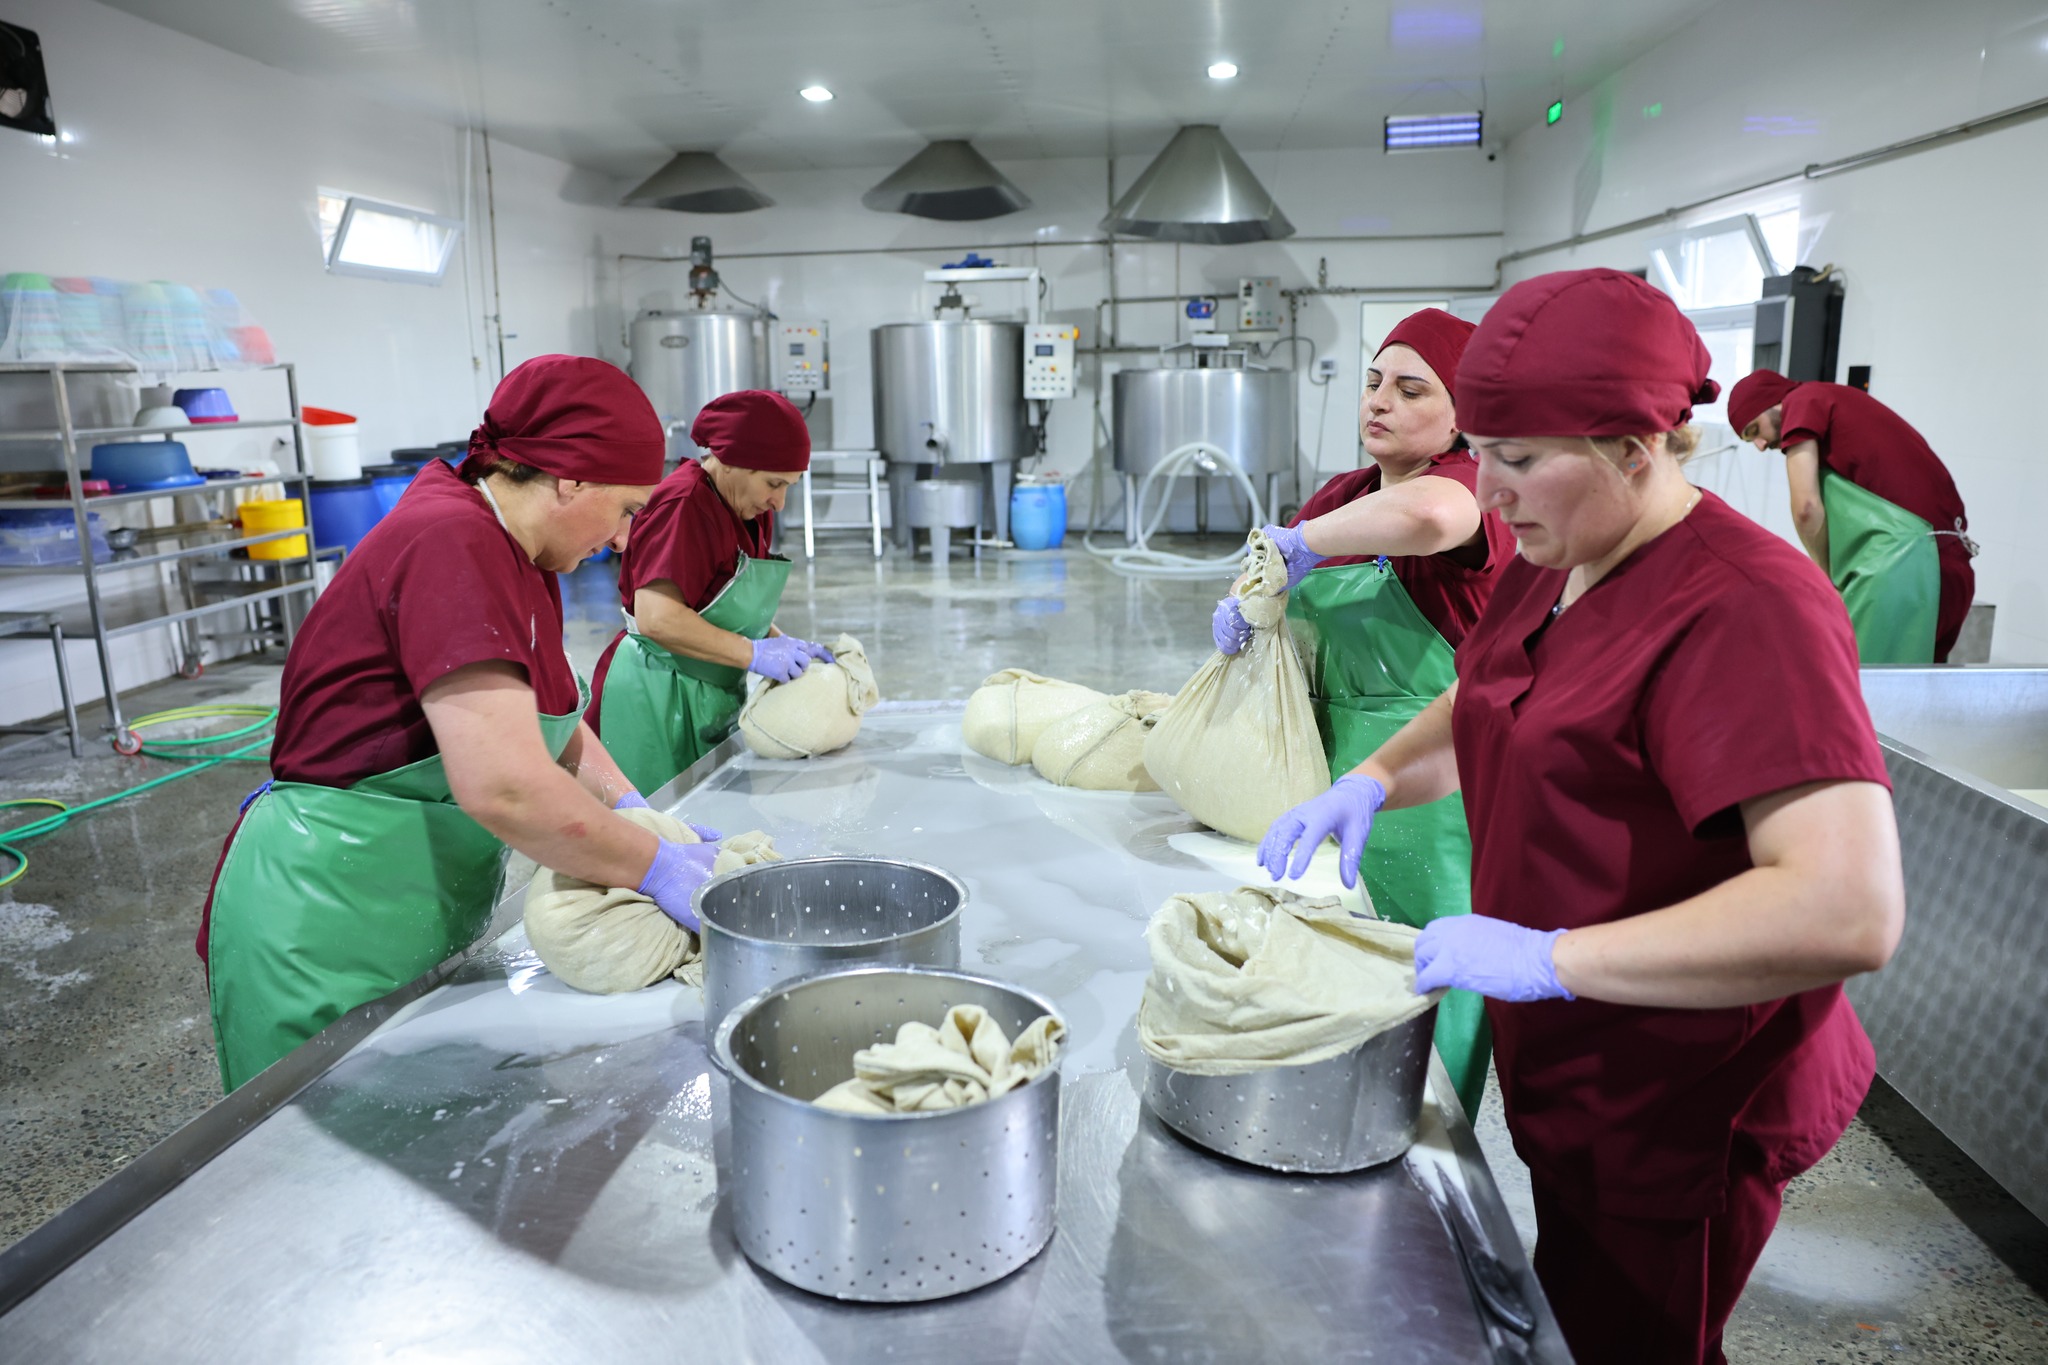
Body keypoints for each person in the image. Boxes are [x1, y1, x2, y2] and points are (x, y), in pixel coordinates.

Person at [1258, 270, 1904, 1365]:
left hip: (1681, 1092)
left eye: (1516, 459)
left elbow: (1844, 908)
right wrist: (1369, 778)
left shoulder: (1746, 607)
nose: (1488, 490)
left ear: (1635, 449)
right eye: (1482, 453)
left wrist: (1549, 958)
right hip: (1577, 1067)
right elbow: (1487, 691)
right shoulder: (1558, 555)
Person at [201, 356, 723, 1091]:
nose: (624, 538)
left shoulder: (524, 553)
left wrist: (634, 809)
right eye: (628, 510)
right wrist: (653, 864)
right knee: (326, 1137)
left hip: (410, 901)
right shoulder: (454, 543)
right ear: (571, 480)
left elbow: (551, 720)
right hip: (331, 916)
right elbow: (504, 786)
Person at [1214, 307, 1512, 1118]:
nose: (1379, 400)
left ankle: (1434, 1145)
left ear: (1462, 417)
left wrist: (1302, 543)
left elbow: (1430, 517)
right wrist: (1248, 602)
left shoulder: (1470, 486)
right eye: (1374, 381)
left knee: (1438, 980)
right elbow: (1277, 573)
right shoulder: (1344, 496)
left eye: (1412, 389)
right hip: (1337, 775)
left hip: (1442, 791)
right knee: (1341, 967)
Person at [589, 390, 831, 795]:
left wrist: (780, 642)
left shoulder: (748, 508)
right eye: (774, 484)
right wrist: (754, 654)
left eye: (789, 486)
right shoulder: (684, 506)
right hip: (659, 693)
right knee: (656, 818)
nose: (779, 502)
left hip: (711, 688)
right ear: (731, 462)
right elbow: (658, 618)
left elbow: (720, 604)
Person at [1727, 369, 1976, 663]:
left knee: (1861, 686)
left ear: (1773, 402)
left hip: (1905, 570)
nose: (1760, 445)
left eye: (1754, 430)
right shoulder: (1838, 400)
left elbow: (1806, 508)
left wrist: (1824, 578)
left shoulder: (1802, 402)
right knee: (1918, 687)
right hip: (1951, 568)